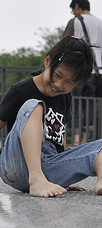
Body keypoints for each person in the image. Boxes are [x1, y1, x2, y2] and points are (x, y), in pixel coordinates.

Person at [0, 36, 102, 198]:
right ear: (48, 61)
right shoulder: (21, 90)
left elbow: (59, 137)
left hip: (49, 168)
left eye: (69, 82)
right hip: (17, 165)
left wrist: (64, 176)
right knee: (34, 106)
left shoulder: (65, 97)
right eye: (57, 75)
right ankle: (36, 179)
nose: (59, 84)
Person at [61, 0, 102, 146]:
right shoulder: (99, 22)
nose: (73, 12)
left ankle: (76, 139)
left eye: (73, 9)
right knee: (90, 106)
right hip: (97, 72)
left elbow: (65, 42)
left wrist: (61, 37)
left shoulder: (75, 21)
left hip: (79, 71)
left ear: (77, 7)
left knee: (74, 104)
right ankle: (86, 140)